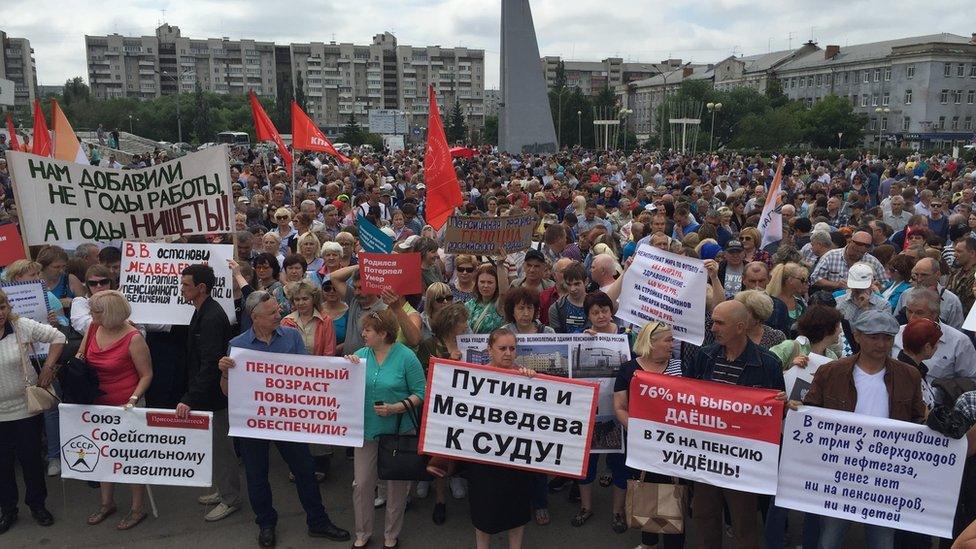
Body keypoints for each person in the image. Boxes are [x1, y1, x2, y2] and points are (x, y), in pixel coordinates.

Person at [218, 291, 351, 547]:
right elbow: (227, 392)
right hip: (253, 423)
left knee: (305, 470)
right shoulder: (238, 346)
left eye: (278, 310)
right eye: (272, 313)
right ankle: (266, 523)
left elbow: (305, 375)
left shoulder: (291, 336)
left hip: (287, 421)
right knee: (257, 476)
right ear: (255, 317)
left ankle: (318, 521)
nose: (279, 315)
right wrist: (224, 373)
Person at [799, 310, 925, 548]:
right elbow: (811, 413)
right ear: (857, 336)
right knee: (829, 539)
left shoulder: (909, 375)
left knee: (882, 541)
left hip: (886, 473)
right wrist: (796, 410)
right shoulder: (831, 371)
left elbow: (918, 420)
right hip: (840, 470)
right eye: (874, 337)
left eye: (887, 338)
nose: (881, 343)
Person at [686, 300, 785, 549]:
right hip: (705, 455)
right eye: (713, 322)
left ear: (740, 327)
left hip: (742, 460)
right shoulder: (704, 356)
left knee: (743, 523)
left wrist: (781, 403)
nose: (713, 328)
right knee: (703, 515)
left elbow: (776, 416)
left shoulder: (767, 363)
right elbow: (686, 396)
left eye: (720, 323)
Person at [344, 309, 425, 549]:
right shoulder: (359, 356)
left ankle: (391, 534)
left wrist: (396, 408)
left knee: (396, 486)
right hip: (367, 430)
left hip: (398, 431)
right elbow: (343, 384)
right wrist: (346, 367)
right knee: (362, 484)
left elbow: (420, 392)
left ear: (383, 333)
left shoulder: (406, 357)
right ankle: (363, 532)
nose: (363, 333)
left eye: (368, 330)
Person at [174, 264, 241, 522]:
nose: (182, 289)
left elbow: (211, 362)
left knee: (223, 449)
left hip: (215, 395)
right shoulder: (202, 310)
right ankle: (224, 490)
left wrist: (190, 398)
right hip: (207, 393)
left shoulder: (211, 317)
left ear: (201, 288)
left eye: (186, 285)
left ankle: (231, 498)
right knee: (215, 446)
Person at [83, 291, 153, 531]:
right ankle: (107, 502)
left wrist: (133, 399)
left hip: (126, 404)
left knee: (131, 458)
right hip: (98, 404)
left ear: (109, 312)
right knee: (103, 453)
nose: (91, 314)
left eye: (96, 310)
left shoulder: (133, 338)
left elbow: (146, 374)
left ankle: (137, 507)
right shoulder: (93, 329)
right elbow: (81, 357)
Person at [613, 321, 684, 549]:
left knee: (674, 490)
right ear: (651, 343)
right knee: (646, 488)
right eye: (668, 340)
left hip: (674, 446)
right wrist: (638, 432)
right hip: (641, 446)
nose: (673, 344)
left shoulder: (681, 368)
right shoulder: (628, 370)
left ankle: (674, 542)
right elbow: (620, 407)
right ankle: (649, 541)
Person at [0, 288, 65, 534]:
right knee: (2, 465)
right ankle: (8, 509)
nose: (0, 313)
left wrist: (48, 367)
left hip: (25, 410)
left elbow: (58, 337)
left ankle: (37, 505)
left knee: (31, 461)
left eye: (3, 307)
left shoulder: (21, 326)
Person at [465, 328, 536, 549]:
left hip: (515, 455)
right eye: (502, 348)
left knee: (516, 509)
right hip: (483, 456)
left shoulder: (526, 376)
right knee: (483, 509)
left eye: (512, 348)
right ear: (490, 350)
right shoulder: (475, 376)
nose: (508, 353)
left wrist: (534, 383)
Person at [415, 303, 470, 524]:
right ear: (452, 323)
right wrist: (449, 363)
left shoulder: (468, 344)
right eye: (463, 321)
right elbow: (423, 375)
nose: (466, 325)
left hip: (463, 406)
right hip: (438, 407)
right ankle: (440, 499)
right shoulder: (429, 344)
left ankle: (455, 476)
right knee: (437, 452)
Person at [893, 288, 976, 406]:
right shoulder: (895, 335)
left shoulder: (959, 342)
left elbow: (971, 381)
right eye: (909, 311)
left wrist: (945, 389)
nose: (912, 318)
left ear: (935, 313)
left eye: (919, 313)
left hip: (940, 409)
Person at [895, 257, 965, 329]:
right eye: (916, 275)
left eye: (924, 275)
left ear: (937, 274)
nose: (919, 279)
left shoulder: (951, 301)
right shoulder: (906, 294)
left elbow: (957, 330)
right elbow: (895, 324)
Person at [809, 230, 888, 291]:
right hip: (833, 299)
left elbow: (886, 283)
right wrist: (836, 285)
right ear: (850, 242)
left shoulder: (872, 261)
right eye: (856, 250)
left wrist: (879, 286)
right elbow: (815, 278)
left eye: (863, 252)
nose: (859, 253)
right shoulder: (831, 256)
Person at [465, 260, 509, 334]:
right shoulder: (468, 305)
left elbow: (504, 294)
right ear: (477, 283)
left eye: (490, 282)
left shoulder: (499, 305)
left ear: (497, 285)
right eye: (482, 282)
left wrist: (500, 265)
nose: (485, 286)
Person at [765, 262, 809, 336]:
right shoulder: (771, 304)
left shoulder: (800, 303)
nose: (804, 283)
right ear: (790, 280)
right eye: (802, 280)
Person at [69, 265, 115, 334]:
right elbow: (82, 325)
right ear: (88, 285)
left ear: (110, 282)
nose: (99, 286)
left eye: (103, 282)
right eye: (93, 283)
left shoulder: (122, 300)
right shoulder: (80, 301)